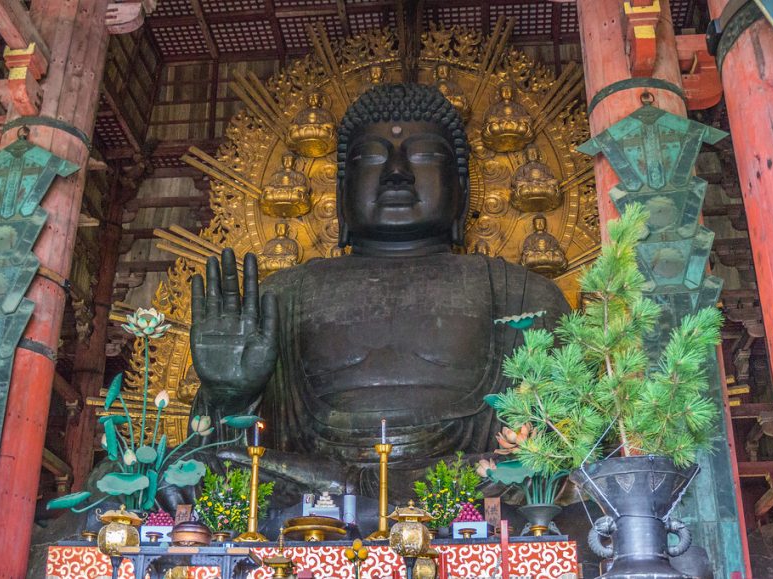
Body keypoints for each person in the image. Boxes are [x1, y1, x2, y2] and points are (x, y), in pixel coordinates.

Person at [180, 84, 569, 502]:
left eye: (424, 156)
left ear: (463, 190)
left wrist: (535, 454)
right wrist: (227, 398)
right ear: (340, 193)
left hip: (467, 489)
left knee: (544, 481)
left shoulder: (525, 295)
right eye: (371, 158)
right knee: (193, 471)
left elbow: (571, 445)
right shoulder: (280, 297)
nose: (397, 172)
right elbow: (221, 454)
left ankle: (354, 497)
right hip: (308, 489)